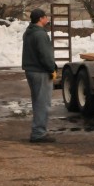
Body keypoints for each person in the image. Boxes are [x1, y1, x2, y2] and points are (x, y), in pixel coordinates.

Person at [21, 7, 58, 143]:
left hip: (30, 70)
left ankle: (37, 130)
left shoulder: (29, 32)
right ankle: (39, 133)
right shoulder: (41, 35)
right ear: (41, 19)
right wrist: (52, 68)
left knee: (37, 101)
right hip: (40, 71)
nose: (47, 19)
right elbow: (45, 55)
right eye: (45, 17)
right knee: (42, 102)